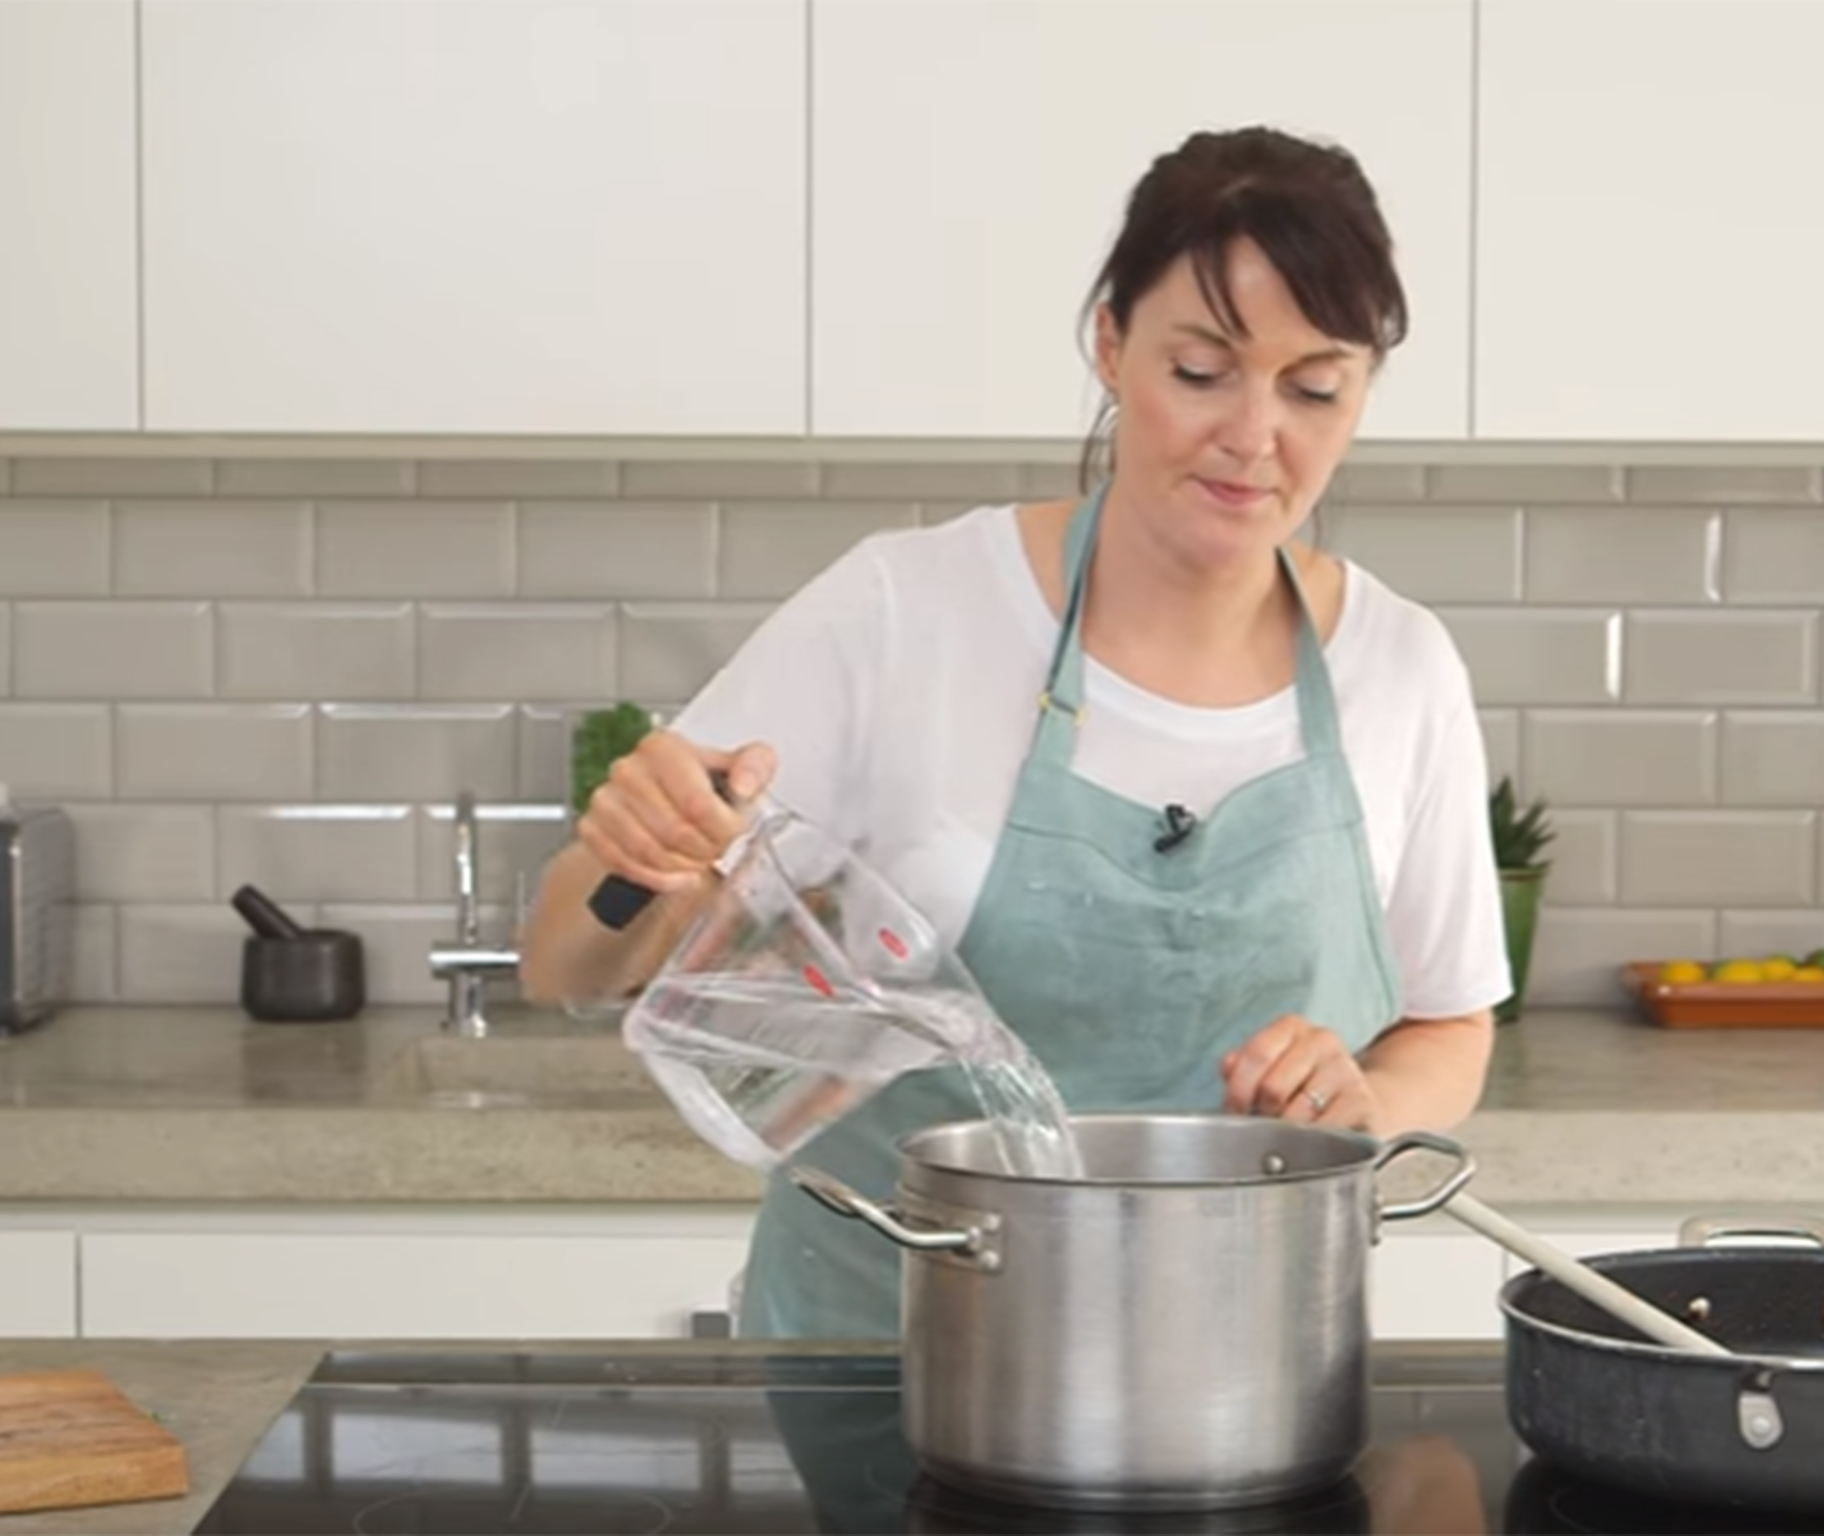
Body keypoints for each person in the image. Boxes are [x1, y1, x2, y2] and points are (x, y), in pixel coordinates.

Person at [519, 124, 1512, 1339]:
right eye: (1200, 371)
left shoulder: (1399, 667)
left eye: (1313, 387)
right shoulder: (904, 610)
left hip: (1236, 1366)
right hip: (877, 1359)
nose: (1255, 436)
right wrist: (639, 859)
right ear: (1109, 342)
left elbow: (1450, 1024)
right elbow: (563, 964)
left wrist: (1362, 1096)